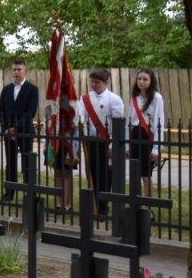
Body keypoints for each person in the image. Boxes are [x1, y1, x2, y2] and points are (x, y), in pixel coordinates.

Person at [78, 68, 124, 215]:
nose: (93, 84)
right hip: (91, 141)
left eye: (97, 82)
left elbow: (117, 124)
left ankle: (103, 206)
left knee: (106, 175)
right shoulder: (85, 98)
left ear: (106, 82)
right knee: (92, 173)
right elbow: (81, 116)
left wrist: (112, 145)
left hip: (107, 142)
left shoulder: (114, 99)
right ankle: (95, 205)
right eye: (92, 81)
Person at [0, 57, 39, 201]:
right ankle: (9, 193)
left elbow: (31, 112)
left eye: (19, 69)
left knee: (27, 162)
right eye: (14, 69)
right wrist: (6, 128)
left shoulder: (32, 89)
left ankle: (29, 194)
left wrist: (16, 128)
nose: (16, 72)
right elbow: (1, 110)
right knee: (10, 163)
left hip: (25, 132)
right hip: (8, 132)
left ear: (25, 71)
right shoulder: (6, 89)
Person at [128, 68, 165, 197]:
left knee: (145, 173)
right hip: (135, 134)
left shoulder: (157, 97)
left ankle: (147, 203)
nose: (141, 82)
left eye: (145, 79)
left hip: (148, 136)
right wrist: (127, 145)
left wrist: (156, 148)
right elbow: (130, 120)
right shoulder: (135, 97)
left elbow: (159, 122)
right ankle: (135, 202)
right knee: (135, 172)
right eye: (139, 79)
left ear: (151, 81)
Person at [49, 94, 79, 212]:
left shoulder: (73, 111)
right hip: (56, 145)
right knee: (57, 173)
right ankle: (59, 203)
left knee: (67, 174)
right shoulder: (53, 111)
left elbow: (76, 130)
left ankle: (67, 204)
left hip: (68, 146)